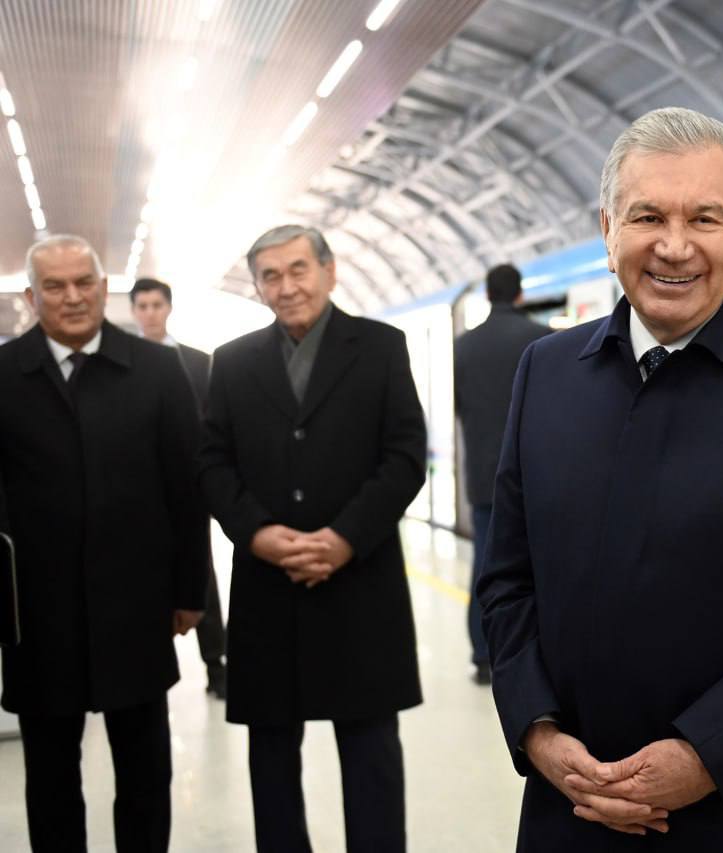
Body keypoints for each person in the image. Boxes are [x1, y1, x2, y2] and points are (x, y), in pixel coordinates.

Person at [477, 107, 723, 852]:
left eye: (705, 218)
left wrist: (707, 756)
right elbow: (507, 578)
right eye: (647, 216)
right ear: (608, 231)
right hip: (570, 812)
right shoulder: (547, 373)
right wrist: (537, 731)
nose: (674, 245)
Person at [198, 224, 426, 853]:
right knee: (271, 757)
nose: (286, 286)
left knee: (371, 752)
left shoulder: (380, 348)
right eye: (270, 276)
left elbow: (405, 455)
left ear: (329, 271)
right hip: (268, 587)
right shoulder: (233, 361)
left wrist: (345, 537)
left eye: (298, 269)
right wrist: (257, 534)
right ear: (257, 287)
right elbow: (212, 463)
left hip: (360, 582)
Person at [0, 234, 209, 852]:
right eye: (55, 286)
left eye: (84, 282)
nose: (72, 297)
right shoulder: (4, 374)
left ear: (102, 287)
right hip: (37, 612)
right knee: (50, 774)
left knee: (144, 770)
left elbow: (186, 487)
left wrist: (189, 591)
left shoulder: (156, 370)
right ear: (32, 297)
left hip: (136, 605)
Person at [130, 277, 228, 700]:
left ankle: (217, 665)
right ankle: (144, 670)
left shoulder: (198, 363)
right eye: (143, 306)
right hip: (138, 490)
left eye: (157, 305)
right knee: (140, 576)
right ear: (134, 311)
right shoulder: (121, 363)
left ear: (168, 308)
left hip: (190, 486)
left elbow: (214, 424)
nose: (150, 313)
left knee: (200, 573)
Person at [453, 263, 550, 685]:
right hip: (537, 477)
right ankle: (533, 653)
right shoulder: (543, 340)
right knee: (541, 567)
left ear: (487, 295)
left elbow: (459, 408)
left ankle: (483, 655)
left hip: (483, 477)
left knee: (485, 567)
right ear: (520, 295)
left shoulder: (463, 347)